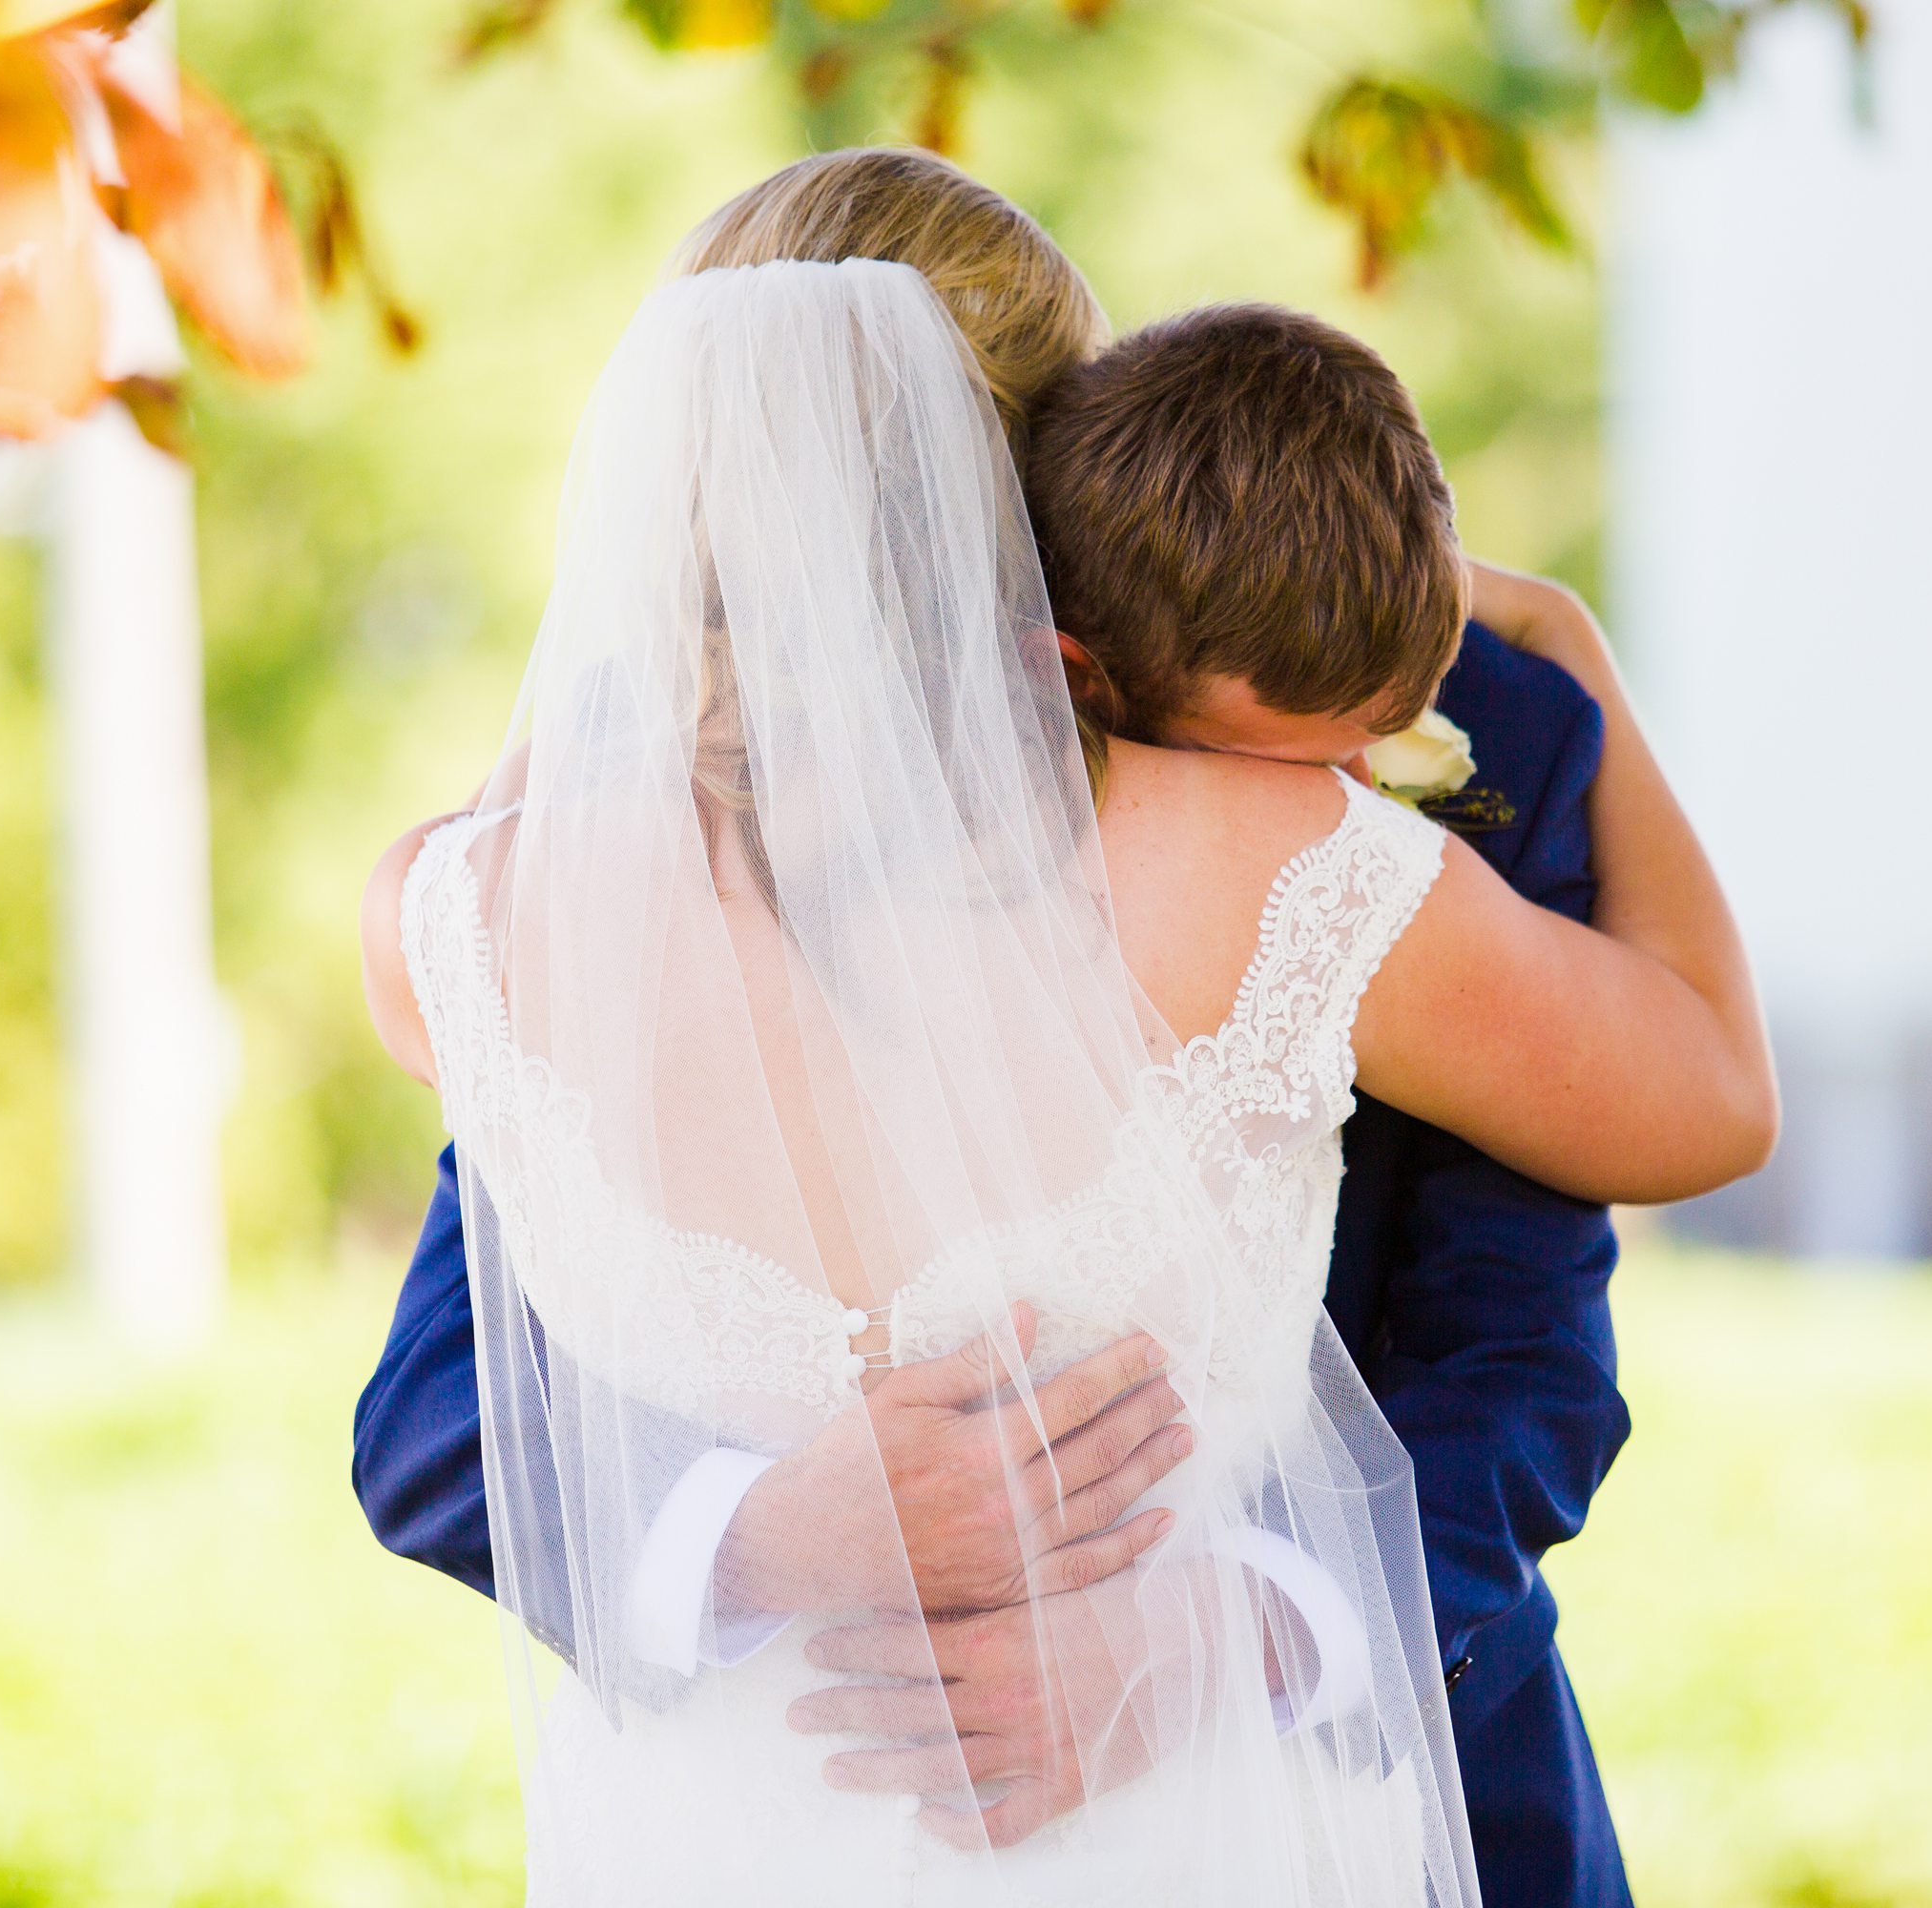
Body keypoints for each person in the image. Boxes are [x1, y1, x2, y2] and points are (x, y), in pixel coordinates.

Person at [355, 150, 1773, 1906]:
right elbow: (447, 1426)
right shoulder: (1262, 854)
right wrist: (761, 1537)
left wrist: (1250, 1627)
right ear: (1026, 474)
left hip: (1204, 1772)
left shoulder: (467, 922)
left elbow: (1515, 1343)